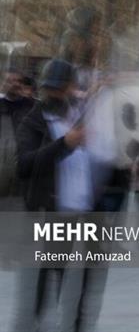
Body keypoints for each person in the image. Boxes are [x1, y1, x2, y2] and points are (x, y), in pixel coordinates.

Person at [12, 59, 107, 332]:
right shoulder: (33, 121)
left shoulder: (78, 115)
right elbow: (25, 165)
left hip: (88, 212)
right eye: (49, 88)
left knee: (88, 277)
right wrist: (64, 144)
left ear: (70, 88)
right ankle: (38, 323)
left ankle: (78, 324)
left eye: (60, 88)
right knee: (50, 273)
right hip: (56, 212)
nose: (53, 94)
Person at [0, 69, 35, 198]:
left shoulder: (31, 106)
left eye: (18, 81)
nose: (15, 84)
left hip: (23, 167)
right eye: (10, 81)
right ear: (3, 84)